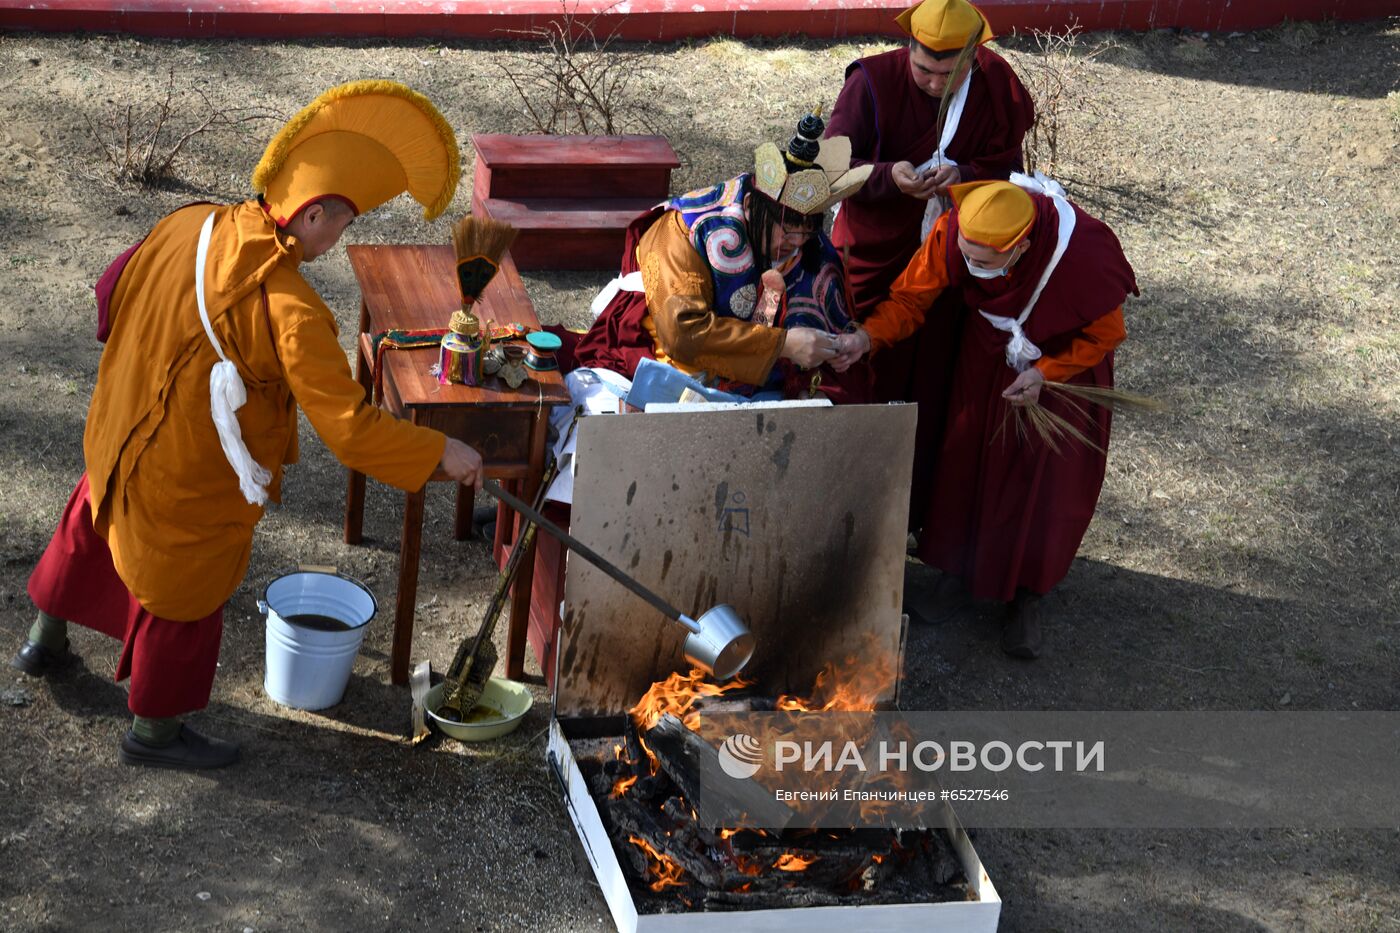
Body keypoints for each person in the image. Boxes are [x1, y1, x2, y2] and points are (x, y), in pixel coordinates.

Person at [11, 80, 483, 770]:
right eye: (343, 223)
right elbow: (350, 429)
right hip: (189, 468)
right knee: (184, 588)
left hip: (122, 424)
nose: (339, 238)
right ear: (312, 212)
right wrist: (445, 452)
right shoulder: (290, 309)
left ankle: (43, 638)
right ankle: (154, 733)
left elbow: (111, 291)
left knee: (97, 511)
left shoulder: (190, 223)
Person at [832, 177, 1137, 659]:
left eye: (984, 262)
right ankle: (957, 572)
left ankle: (1026, 595)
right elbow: (912, 298)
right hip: (986, 355)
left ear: (1020, 247)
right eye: (967, 255)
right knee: (967, 454)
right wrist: (866, 339)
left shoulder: (1083, 250)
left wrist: (1045, 373)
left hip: (1061, 374)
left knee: (1042, 484)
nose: (971, 266)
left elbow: (1107, 332)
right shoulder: (958, 226)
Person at [825, 0, 1034, 522]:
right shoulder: (872, 81)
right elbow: (828, 168)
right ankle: (852, 500)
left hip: (952, 257)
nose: (935, 84)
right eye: (924, 69)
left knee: (935, 379)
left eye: (950, 73)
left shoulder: (994, 86)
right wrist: (884, 176)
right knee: (866, 364)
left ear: (974, 57)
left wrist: (964, 176)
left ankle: (919, 507)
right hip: (872, 253)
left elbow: (1008, 168)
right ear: (908, 48)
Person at [558, 112, 874, 403]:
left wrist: (849, 343)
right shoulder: (687, 228)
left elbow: (834, 317)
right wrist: (784, 344)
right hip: (675, 370)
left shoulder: (810, 245)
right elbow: (682, 334)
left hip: (767, 384)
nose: (796, 243)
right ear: (751, 207)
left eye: (806, 234)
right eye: (788, 231)